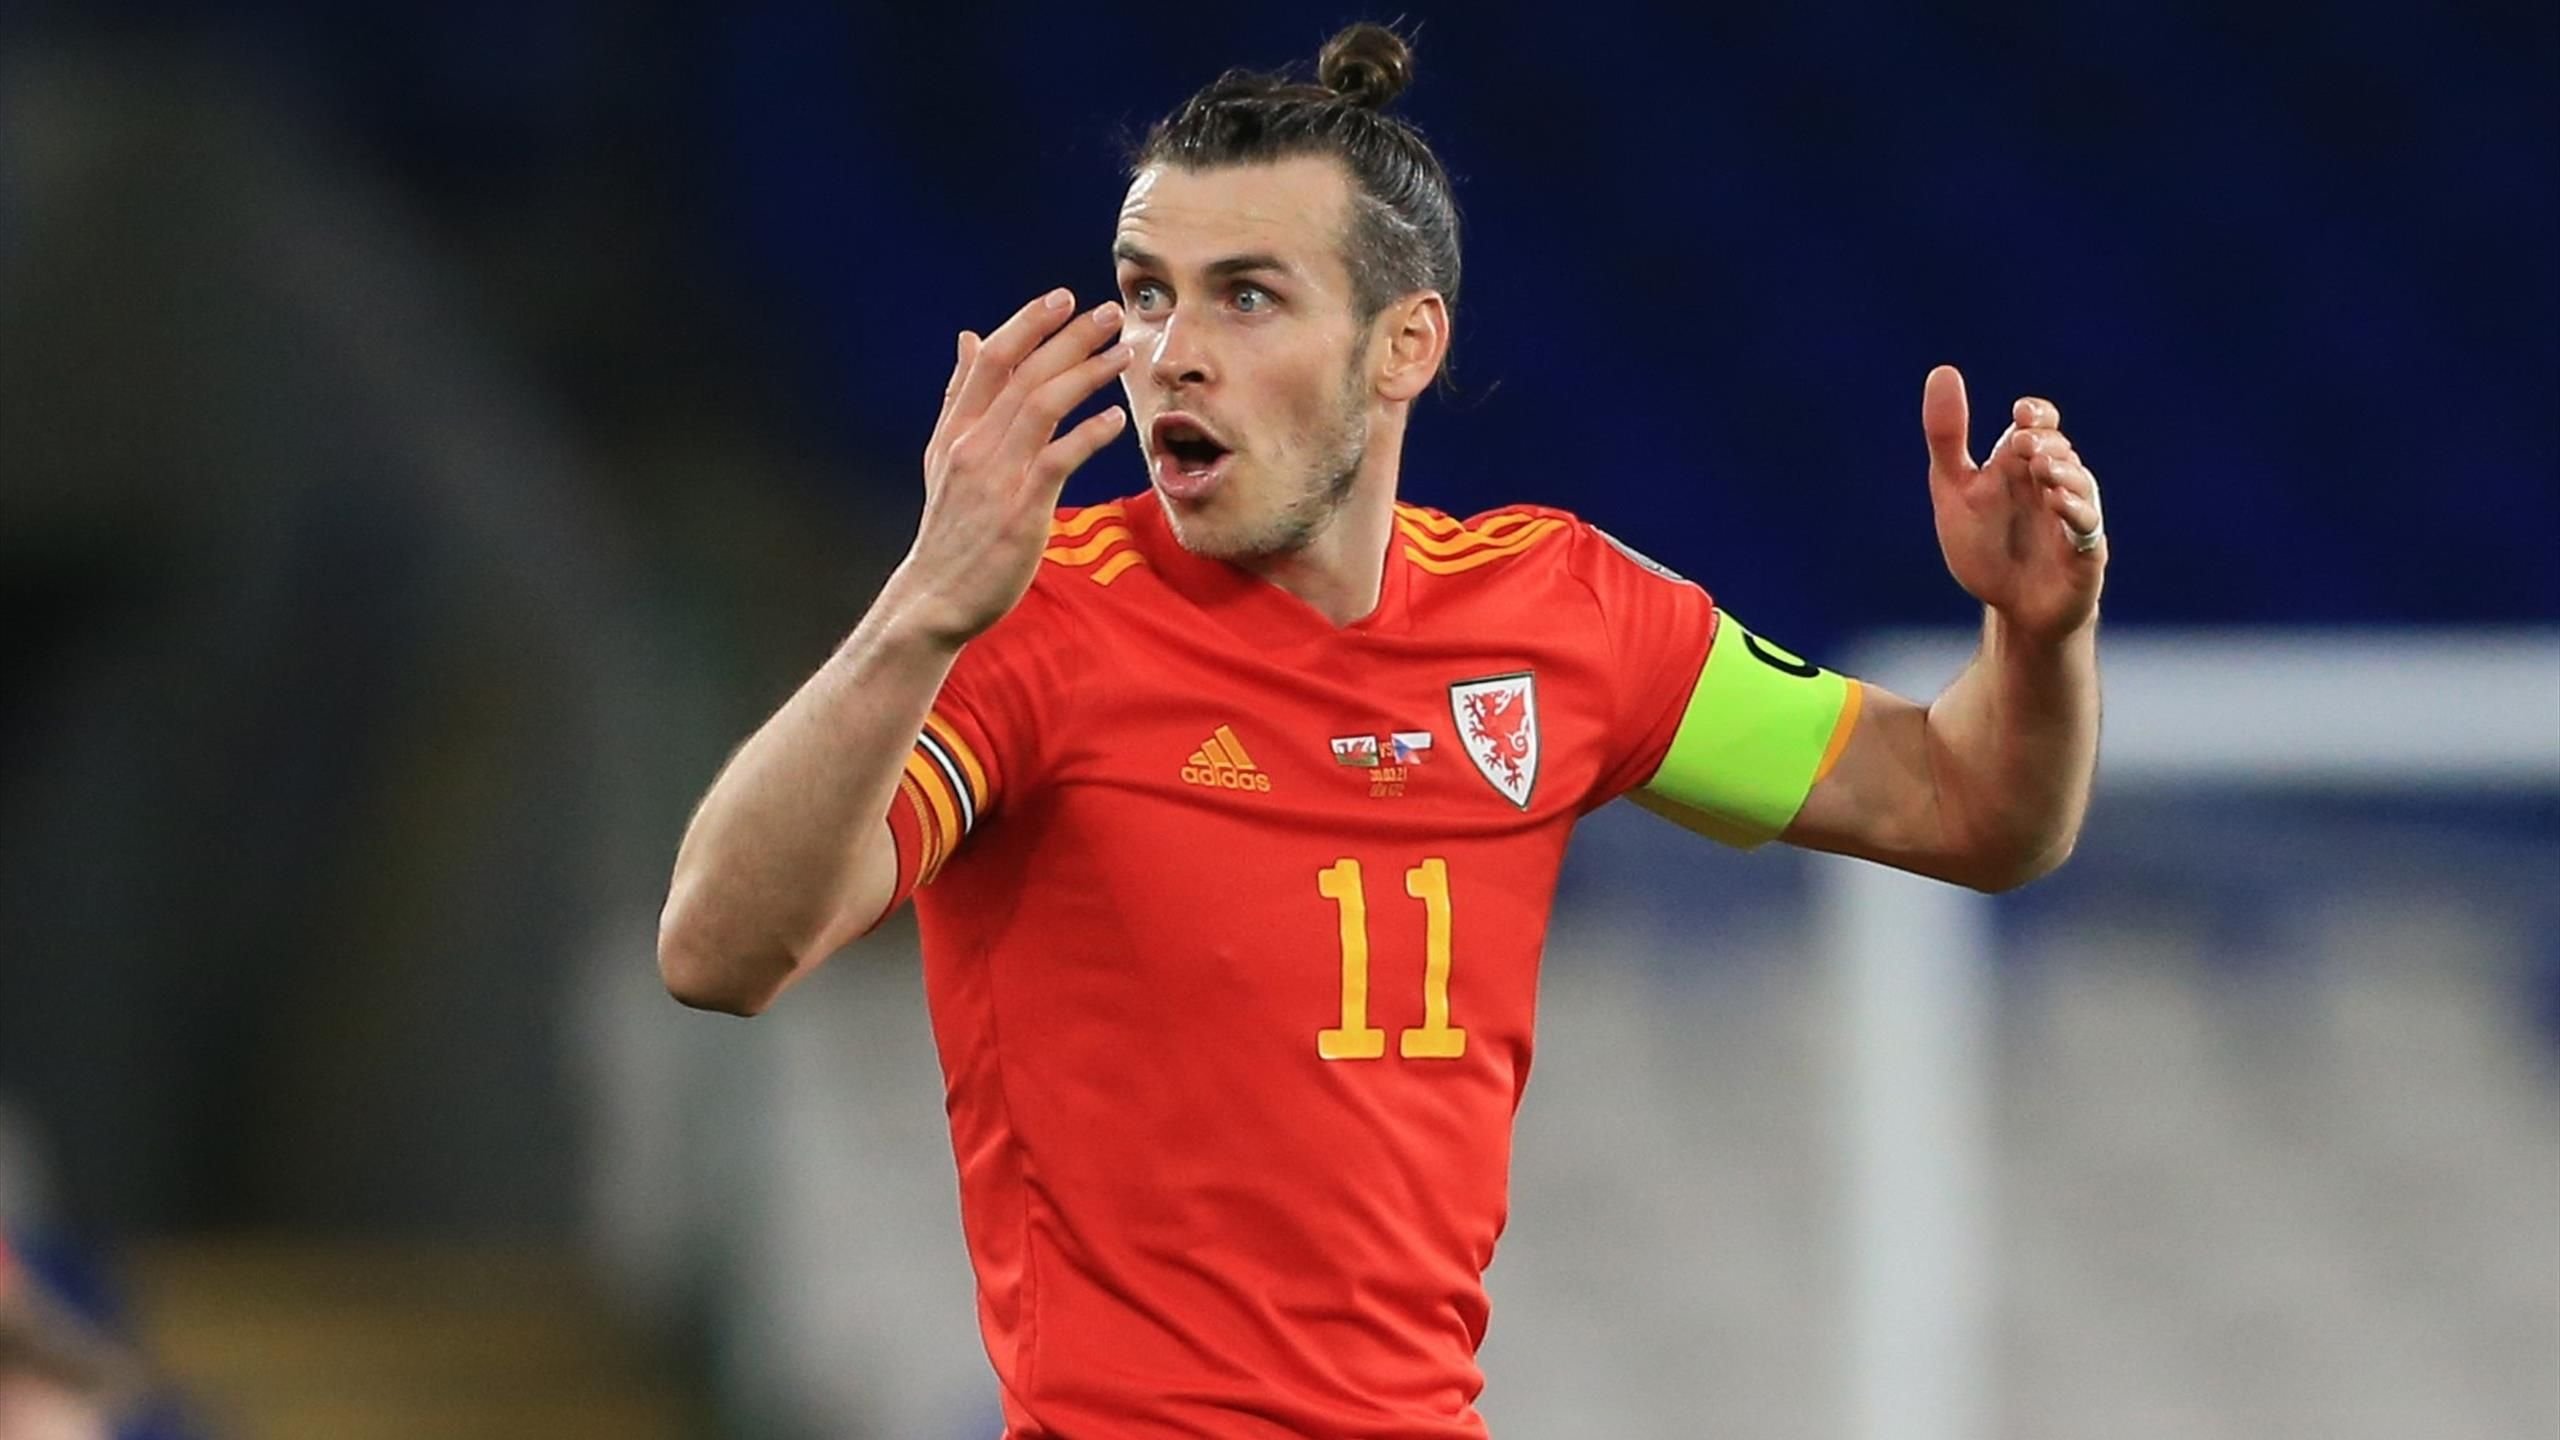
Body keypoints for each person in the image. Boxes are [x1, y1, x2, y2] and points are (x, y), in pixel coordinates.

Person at [659, 21, 2103, 1438]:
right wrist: (920, 607)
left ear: (1403, 344)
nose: (1171, 354)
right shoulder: (1036, 628)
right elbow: (720, 953)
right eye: (1145, 294)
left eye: (1246, 297)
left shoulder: (1566, 619)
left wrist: (2038, 639)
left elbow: (1967, 807)